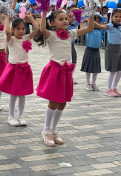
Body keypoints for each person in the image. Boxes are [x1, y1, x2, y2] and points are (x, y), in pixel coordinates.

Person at [34, 10, 94, 147]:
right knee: (53, 101)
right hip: (55, 71)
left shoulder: (70, 34)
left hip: (66, 73)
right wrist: (43, 12)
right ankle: (46, 130)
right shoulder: (52, 35)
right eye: (61, 19)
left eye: (66, 18)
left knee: (63, 102)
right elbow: (42, 28)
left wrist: (91, 12)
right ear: (53, 23)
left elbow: (90, 28)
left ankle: (54, 129)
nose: (65, 21)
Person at [0, 12, 39, 126]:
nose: (21, 31)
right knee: (13, 94)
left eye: (23, 28)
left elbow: (37, 29)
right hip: (14, 69)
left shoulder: (27, 38)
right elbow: (6, 32)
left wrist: (30, 18)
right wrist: (6, 19)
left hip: (24, 69)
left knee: (22, 95)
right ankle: (11, 116)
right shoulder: (12, 40)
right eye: (18, 29)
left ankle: (20, 115)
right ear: (13, 30)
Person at [94, 9, 121, 97]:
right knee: (113, 71)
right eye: (116, 16)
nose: (118, 18)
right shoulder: (110, 25)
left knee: (120, 70)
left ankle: (114, 87)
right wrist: (91, 20)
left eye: (120, 16)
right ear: (112, 17)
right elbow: (101, 27)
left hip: (119, 48)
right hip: (111, 49)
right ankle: (108, 89)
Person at [80, 14, 105, 91]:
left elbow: (105, 28)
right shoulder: (89, 29)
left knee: (95, 68)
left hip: (96, 51)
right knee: (88, 68)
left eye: (98, 22)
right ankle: (87, 83)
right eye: (95, 21)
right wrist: (88, 20)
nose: (96, 23)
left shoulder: (100, 30)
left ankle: (93, 83)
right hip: (89, 50)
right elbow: (87, 21)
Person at [67, 11, 80, 84]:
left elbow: (79, 20)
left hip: (72, 45)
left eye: (73, 16)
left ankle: (71, 75)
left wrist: (78, 13)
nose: (73, 18)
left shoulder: (74, 25)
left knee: (74, 61)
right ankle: (67, 76)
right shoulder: (65, 26)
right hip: (66, 45)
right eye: (70, 17)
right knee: (67, 62)